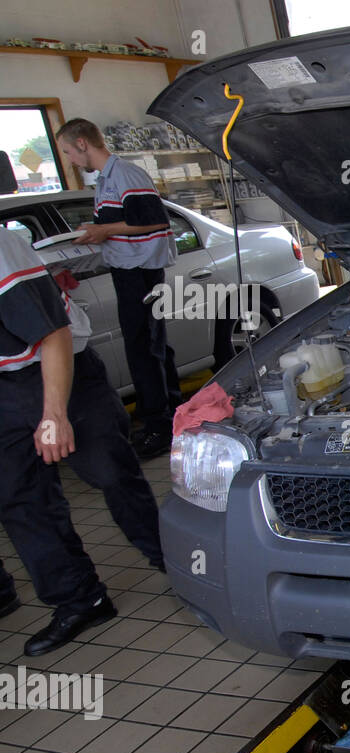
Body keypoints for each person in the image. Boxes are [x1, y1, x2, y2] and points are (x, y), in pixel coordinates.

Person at [0, 227, 165, 657]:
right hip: (4, 388)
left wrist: (53, 415)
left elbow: (54, 334)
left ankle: (181, 565)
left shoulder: (0, 249)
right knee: (18, 497)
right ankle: (80, 599)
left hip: (60, 370)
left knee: (111, 473)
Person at [55, 117, 179, 458]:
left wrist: (105, 231)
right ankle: (169, 412)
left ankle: (158, 427)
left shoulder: (124, 174)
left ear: (82, 143)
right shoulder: (105, 181)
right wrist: (97, 230)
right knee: (152, 345)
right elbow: (125, 221)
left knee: (143, 349)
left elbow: (156, 220)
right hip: (129, 268)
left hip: (140, 271)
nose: (70, 160)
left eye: (68, 151)